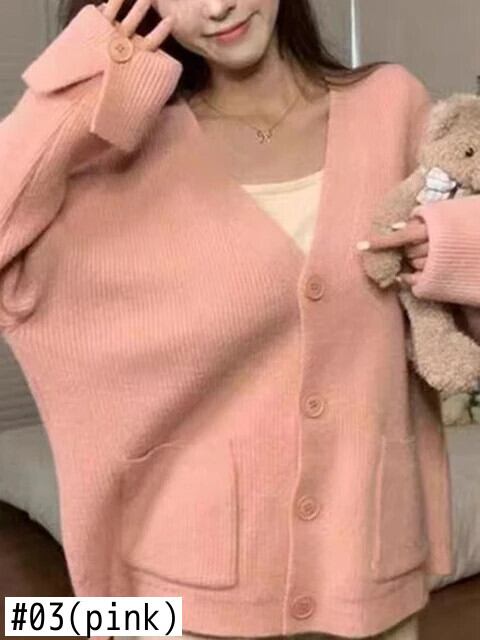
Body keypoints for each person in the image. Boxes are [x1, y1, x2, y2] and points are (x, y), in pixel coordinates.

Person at [1, 1, 479, 639]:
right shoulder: (124, 150)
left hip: (371, 571)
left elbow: (454, 329)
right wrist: (90, 71)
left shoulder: (392, 107)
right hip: (182, 600)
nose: (217, 6)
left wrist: (457, 254)